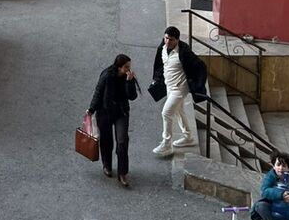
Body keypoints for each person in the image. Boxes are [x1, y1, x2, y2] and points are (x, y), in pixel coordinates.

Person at [151, 25, 206, 157]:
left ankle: (167, 144)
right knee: (178, 111)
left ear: (177, 40)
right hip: (169, 86)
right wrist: (156, 79)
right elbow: (160, 64)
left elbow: (201, 66)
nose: (167, 41)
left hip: (180, 88)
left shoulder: (184, 52)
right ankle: (188, 137)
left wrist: (198, 85)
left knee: (166, 113)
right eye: (166, 38)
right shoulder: (162, 47)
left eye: (171, 39)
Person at [87, 53, 139, 187]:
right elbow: (98, 92)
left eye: (129, 66)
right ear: (119, 67)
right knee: (106, 140)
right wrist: (91, 109)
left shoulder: (128, 77)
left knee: (122, 141)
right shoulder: (106, 75)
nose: (128, 69)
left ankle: (122, 173)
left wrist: (129, 82)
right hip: (105, 112)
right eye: (126, 67)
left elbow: (132, 96)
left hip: (121, 112)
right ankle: (107, 165)